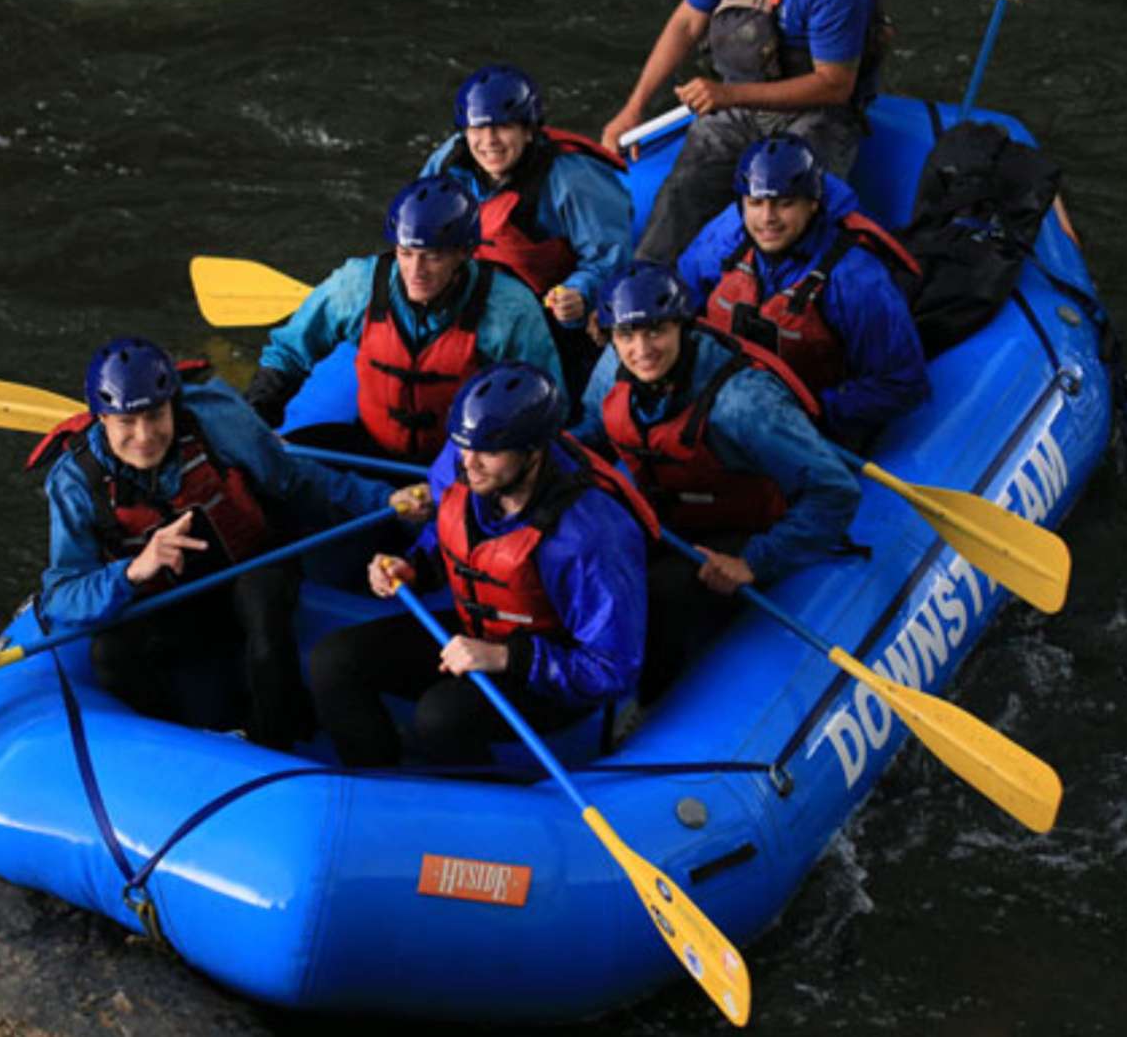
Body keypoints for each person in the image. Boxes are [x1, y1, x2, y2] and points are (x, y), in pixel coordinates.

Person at [31, 336, 413, 751]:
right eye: (127, 422)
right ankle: (171, 749)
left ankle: (277, 740)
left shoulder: (215, 419)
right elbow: (62, 595)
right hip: (168, 603)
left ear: (172, 404)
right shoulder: (74, 482)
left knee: (264, 606)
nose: (144, 436)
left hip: (251, 570)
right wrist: (133, 570)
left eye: (155, 415)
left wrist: (385, 503)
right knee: (110, 653)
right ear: (102, 420)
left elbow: (298, 479)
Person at [307, 363, 654, 768]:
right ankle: (374, 778)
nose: (468, 463)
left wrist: (505, 658)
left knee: (441, 717)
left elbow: (611, 669)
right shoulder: (465, 460)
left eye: (488, 452)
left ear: (533, 452)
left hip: (546, 670)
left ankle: (478, 806)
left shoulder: (589, 537)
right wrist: (414, 567)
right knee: (333, 659)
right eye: (463, 446)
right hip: (477, 630)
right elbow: (448, 533)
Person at [573, 262, 861, 700]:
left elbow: (835, 491)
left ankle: (652, 704)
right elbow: (590, 436)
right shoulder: (613, 368)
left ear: (681, 327)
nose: (641, 349)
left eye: (656, 332)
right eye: (627, 336)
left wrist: (754, 561)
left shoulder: (744, 403)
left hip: (746, 532)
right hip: (668, 517)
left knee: (663, 593)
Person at [244, 175, 563, 462]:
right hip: (372, 442)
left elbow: (545, 408)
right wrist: (256, 415)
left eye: (433, 257)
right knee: (276, 466)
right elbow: (287, 355)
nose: (416, 271)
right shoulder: (356, 285)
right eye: (406, 254)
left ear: (463, 254)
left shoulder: (510, 311)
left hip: (463, 462)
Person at [600, 0, 891, 264]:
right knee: (682, 190)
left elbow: (835, 85)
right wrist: (634, 108)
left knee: (792, 211)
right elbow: (686, 24)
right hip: (738, 105)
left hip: (818, 113)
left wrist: (730, 96)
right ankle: (650, 281)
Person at [678, 133, 928, 447]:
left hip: (808, 420)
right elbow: (681, 305)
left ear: (812, 204)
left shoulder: (856, 280)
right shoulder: (725, 237)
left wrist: (814, 410)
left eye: (785, 204)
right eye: (756, 203)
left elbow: (901, 383)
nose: (767, 218)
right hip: (727, 397)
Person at [419, 64, 634, 404]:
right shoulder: (449, 161)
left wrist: (580, 292)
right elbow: (419, 227)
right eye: (479, 128)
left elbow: (611, 260)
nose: (489, 141)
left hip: (547, 316)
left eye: (503, 127)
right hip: (471, 301)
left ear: (529, 131)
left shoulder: (573, 178)